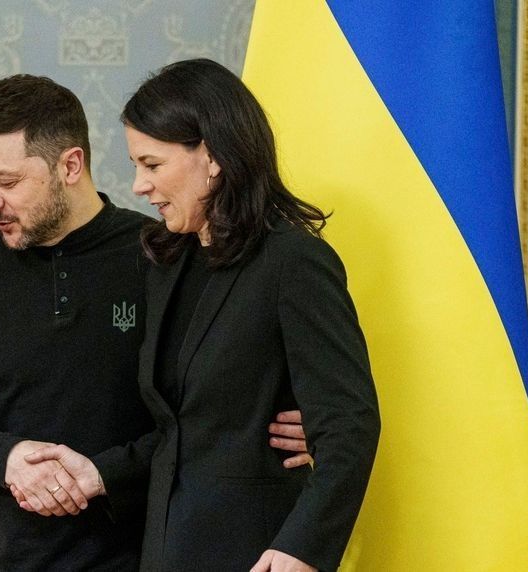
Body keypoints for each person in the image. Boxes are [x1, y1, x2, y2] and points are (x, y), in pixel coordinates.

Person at [0, 74, 310, 571]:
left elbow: (206, 416)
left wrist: (294, 425)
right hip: (6, 558)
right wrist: (8, 458)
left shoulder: (167, 256)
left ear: (70, 165)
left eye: (6, 183)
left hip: (143, 556)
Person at [121, 58, 380, 571]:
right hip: (167, 551)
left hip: (260, 554)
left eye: (151, 165)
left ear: (213, 157)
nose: (138, 186)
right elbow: (177, 428)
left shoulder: (293, 261)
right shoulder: (166, 263)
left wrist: (301, 548)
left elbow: (348, 424)